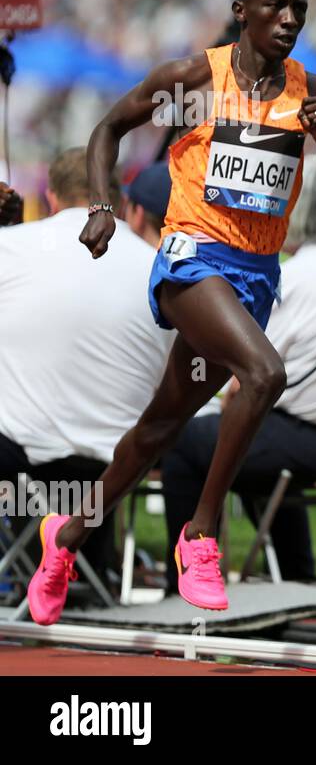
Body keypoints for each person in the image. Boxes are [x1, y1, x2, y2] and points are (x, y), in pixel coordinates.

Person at [25, 0, 316, 625]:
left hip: (256, 275)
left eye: (299, 9)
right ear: (242, 11)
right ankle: (201, 535)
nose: (290, 21)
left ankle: (65, 538)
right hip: (190, 257)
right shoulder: (193, 81)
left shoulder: (313, 94)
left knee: (161, 425)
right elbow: (107, 130)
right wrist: (102, 204)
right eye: (276, 7)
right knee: (265, 372)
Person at [162, 159, 316, 590]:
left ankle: (182, 580)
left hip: (312, 447)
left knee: (190, 441)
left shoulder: (294, 276)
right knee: (263, 429)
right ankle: (296, 573)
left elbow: (244, 380)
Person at [0, 149, 174, 581]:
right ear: (112, 197)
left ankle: (50, 569)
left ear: (53, 198)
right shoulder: (161, 266)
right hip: (119, 462)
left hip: (24, 454)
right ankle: (92, 572)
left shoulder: (15, 246)